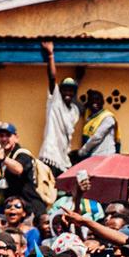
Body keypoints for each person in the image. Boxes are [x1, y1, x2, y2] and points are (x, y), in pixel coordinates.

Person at [39, 39, 82, 173]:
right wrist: (51, 55)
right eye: (65, 90)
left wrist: (79, 78)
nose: (67, 93)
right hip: (50, 156)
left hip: (64, 159)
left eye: (71, 90)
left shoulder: (74, 111)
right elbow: (52, 78)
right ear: (60, 91)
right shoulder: (55, 102)